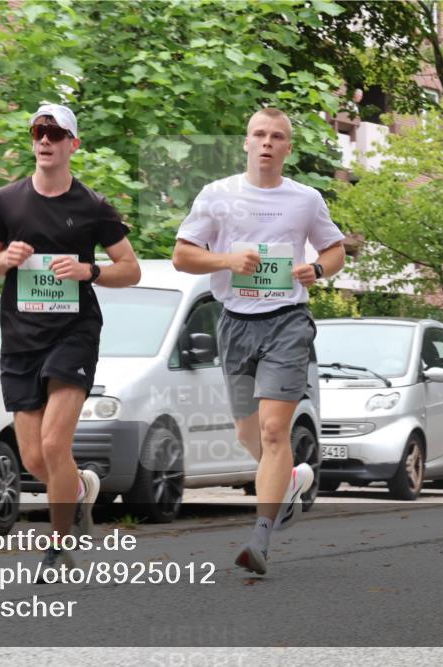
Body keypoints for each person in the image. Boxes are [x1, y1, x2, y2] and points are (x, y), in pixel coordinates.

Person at [172, 107, 346, 575]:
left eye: (277, 136)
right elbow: (183, 256)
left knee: (274, 431)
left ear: (288, 148)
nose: (267, 142)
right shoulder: (217, 195)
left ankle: (260, 539)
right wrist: (227, 259)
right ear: (246, 142)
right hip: (234, 321)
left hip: (288, 320)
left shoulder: (305, 199)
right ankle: (288, 481)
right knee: (248, 433)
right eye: (258, 134)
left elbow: (335, 248)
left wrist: (319, 269)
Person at [0, 102, 141, 576]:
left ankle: (58, 545)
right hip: (21, 339)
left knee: (54, 444)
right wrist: (6, 257)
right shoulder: (7, 201)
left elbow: (129, 269)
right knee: (33, 457)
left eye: (55, 133)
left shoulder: (92, 206)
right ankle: (79, 487)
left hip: (74, 333)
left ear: (73, 143)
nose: (45, 140)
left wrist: (88, 270)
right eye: (38, 132)